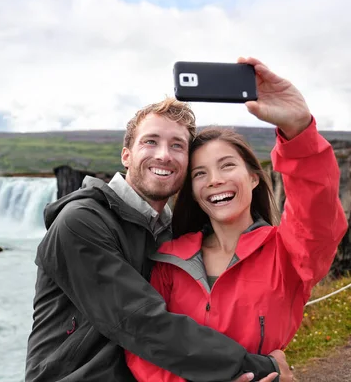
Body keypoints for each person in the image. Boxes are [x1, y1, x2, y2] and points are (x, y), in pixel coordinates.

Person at [25, 57, 295, 382]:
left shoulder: (169, 233)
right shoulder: (80, 223)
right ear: (126, 154)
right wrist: (264, 368)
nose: (164, 155)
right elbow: (143, 323)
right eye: (150, 141)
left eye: (177, 146)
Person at [124, 57, 349, 382]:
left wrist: (298, 128)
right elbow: (142, 347)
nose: (214, 179)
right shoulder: (168, 262)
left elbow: (317, 215)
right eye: (200, 173)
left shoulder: (288, 253)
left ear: (255, 178)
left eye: (227, 165)